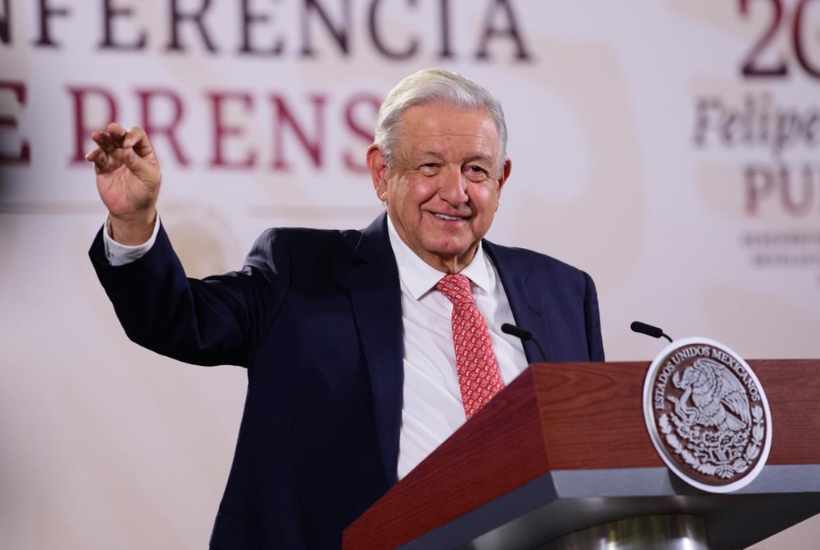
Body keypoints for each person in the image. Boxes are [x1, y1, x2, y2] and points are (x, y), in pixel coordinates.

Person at [88, 68, 604, 549]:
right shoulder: (302, 271)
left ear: (502, 178)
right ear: (382, 172)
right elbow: (179, 320)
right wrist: (135, 222)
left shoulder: (563, 292)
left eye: (476, 170)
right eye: (430, 167)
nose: (455, 191)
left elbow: (594, 457)